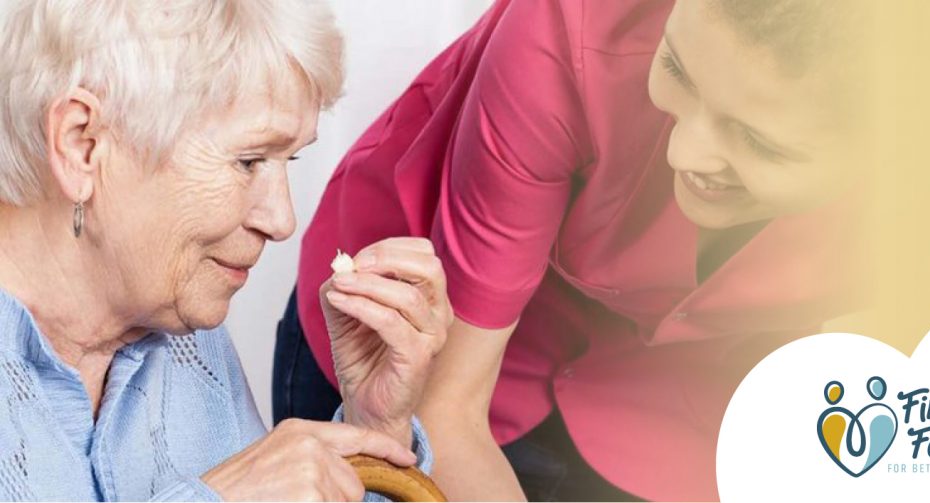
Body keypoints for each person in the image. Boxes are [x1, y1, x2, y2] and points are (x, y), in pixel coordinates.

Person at [279, 0, 867, 500]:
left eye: (759, 142)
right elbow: (446, 410)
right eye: (677, 70)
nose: (684, 154)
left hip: (666, 409)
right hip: (413, 356)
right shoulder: (566, 24)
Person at [0, 1, 451, 500]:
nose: (282, 221)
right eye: (249, 160)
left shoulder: (183, 331)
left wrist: (375, 434)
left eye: (289, 158)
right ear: (82, 145)